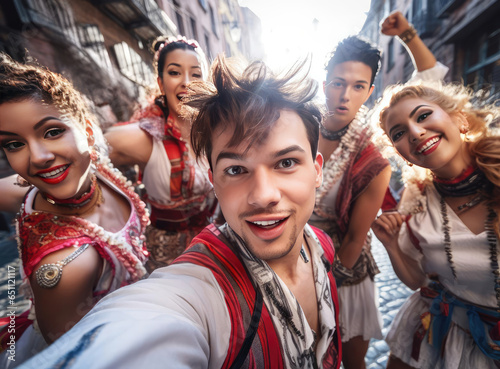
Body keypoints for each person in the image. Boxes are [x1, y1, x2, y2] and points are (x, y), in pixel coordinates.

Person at [19, 56, 342, 369]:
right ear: (213, 180)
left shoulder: (323, 247)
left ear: (316, 171)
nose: (263, 195)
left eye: (285, 163)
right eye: (236, 170)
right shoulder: (201, 292)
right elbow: (144, 327)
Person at [308, 11, 449, 368]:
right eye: (338, 82)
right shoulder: (297, 128)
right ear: (324, 83)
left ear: (370, 91)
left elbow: (355, 239)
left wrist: (407, 34)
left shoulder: (374, 157)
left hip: (344, 272)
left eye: (358, 86)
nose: (345, 94)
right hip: (291, 259)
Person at [0, 53, 149, 368]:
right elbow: (79, 358)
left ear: (89, 134)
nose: (38, 157)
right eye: (14, 144)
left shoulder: (89, 170)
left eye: (52, 132)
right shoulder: (67, 267)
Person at [372, 80, 500, 368]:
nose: (416, 132)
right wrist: (391, 245)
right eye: (400, 133)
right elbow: (417, 281)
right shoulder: (416, 200)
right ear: (403, 154)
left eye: (423, 115)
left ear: (459, 119)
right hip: (441, 331)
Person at [104, 36, 217, 272]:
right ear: (161, 83)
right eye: (175, 72)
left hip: (213, 249)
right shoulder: (146, 137)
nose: (187, 83)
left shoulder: (217, 131)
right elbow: (77, 154)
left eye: (196, 74)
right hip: (166, 263)